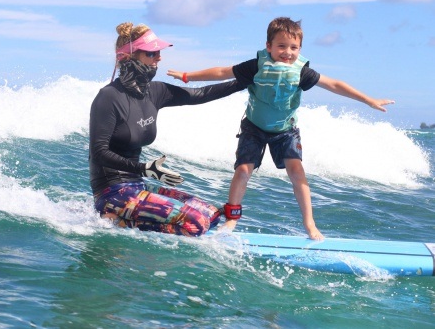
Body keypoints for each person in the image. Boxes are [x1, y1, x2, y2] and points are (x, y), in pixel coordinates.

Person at [167, 17, 394, 240]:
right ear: (269, 46)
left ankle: (309, 224)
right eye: (281, 46)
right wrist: (188, 76)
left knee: (297, 172)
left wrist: (368, 100)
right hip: (253, 128)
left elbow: (334, 84)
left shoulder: (302, 71)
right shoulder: (257, 65)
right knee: (243, 171)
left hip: (285, 130)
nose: (288, 52)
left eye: (294, 47)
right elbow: (222, 72)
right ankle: (232, 217)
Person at [89, 22, 246, 236]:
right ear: (129, 57)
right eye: (151, 53)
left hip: (138, 186)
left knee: (212, 215)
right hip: (112, 193)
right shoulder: (108, 97)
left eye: (159, 52)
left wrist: (244, 81)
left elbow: (200, 94)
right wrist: (144, 168)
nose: (159, 58)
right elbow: (98, 152)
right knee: (196, 224)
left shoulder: (155, 92)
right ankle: (117, 220)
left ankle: (127, 218)